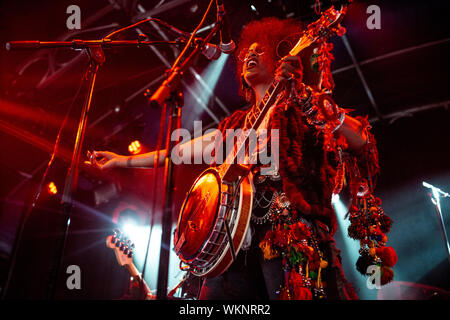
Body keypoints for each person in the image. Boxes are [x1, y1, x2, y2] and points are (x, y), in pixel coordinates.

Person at [89, 17, 396, 300]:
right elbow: (177, 153)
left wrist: (303, 94)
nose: (249, 55)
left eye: (259, 50)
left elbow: (361, 141)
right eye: (245, 51)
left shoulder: (303, 106)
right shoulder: (236, 124)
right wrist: (121, 161)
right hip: (234, 242)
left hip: (289, 235)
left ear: (280, 59)